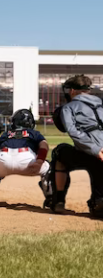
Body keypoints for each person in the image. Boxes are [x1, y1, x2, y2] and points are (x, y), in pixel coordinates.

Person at [0, 109, 50, 206]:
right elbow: (44, 145)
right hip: (26, 161)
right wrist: (39, 161)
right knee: (48, 167)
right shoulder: (33, 133)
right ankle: (51, 197)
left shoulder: (7, 134)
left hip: (4, 157)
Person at [50, 75, 103, 217]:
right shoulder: (101, 103)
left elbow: (73, 132)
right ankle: (98, 201)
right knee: (96, 165)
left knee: (59, 152)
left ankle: (58, 201)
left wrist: (96, 150)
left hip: (92, 152)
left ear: (72, 91)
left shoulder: (68, 107)